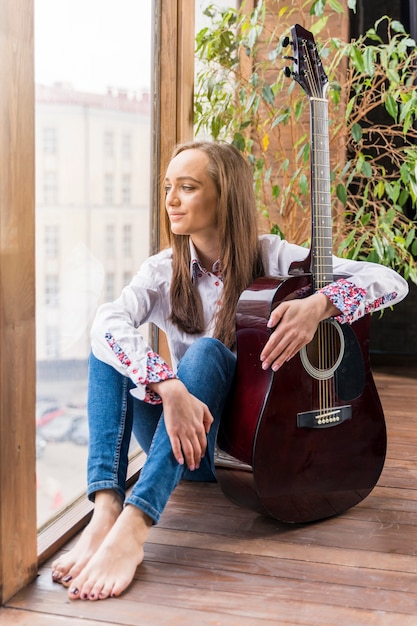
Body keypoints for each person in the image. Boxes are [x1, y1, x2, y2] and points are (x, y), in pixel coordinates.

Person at [51, 140, 408, 601]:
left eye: (188, 187)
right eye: (167, 187)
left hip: (242, 451)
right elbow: (106, 326)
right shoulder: (163, 271)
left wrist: (321, 304)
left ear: (225, 196)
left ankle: (135, 527)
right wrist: (169, 386)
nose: (171, 200)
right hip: (183, 442)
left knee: (206, 355)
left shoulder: (274, 258)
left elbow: (391, 282)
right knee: (109, 337)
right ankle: (106, 509)